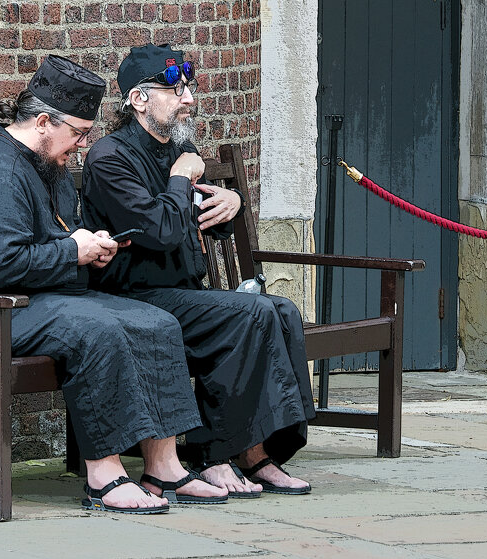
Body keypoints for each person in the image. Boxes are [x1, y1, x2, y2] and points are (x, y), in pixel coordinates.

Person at [0, 54, 228, 513]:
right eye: (77, 133)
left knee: (156, 321)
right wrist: (75, 250)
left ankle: (164, 465)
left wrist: (91, 245)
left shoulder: (45, 164)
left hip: (39, 301)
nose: (82, 143)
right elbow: (3, 265)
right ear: (44, 121)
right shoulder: (0, 170)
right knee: (97, 328)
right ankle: (104, 474)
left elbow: (53, 238)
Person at [81, 43, 317, 497]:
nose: (188, 98)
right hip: (133, 301)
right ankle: (214, 456)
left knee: (280, 310)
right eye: (175, 90)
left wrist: (231, 204)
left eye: (189, 87)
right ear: (138, 100)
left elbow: (197, 216)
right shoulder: (110, 159)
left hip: (182, 295)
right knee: (249, 315)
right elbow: (161, 230)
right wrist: (181, 175)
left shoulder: (179, 151)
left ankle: (257, 452)